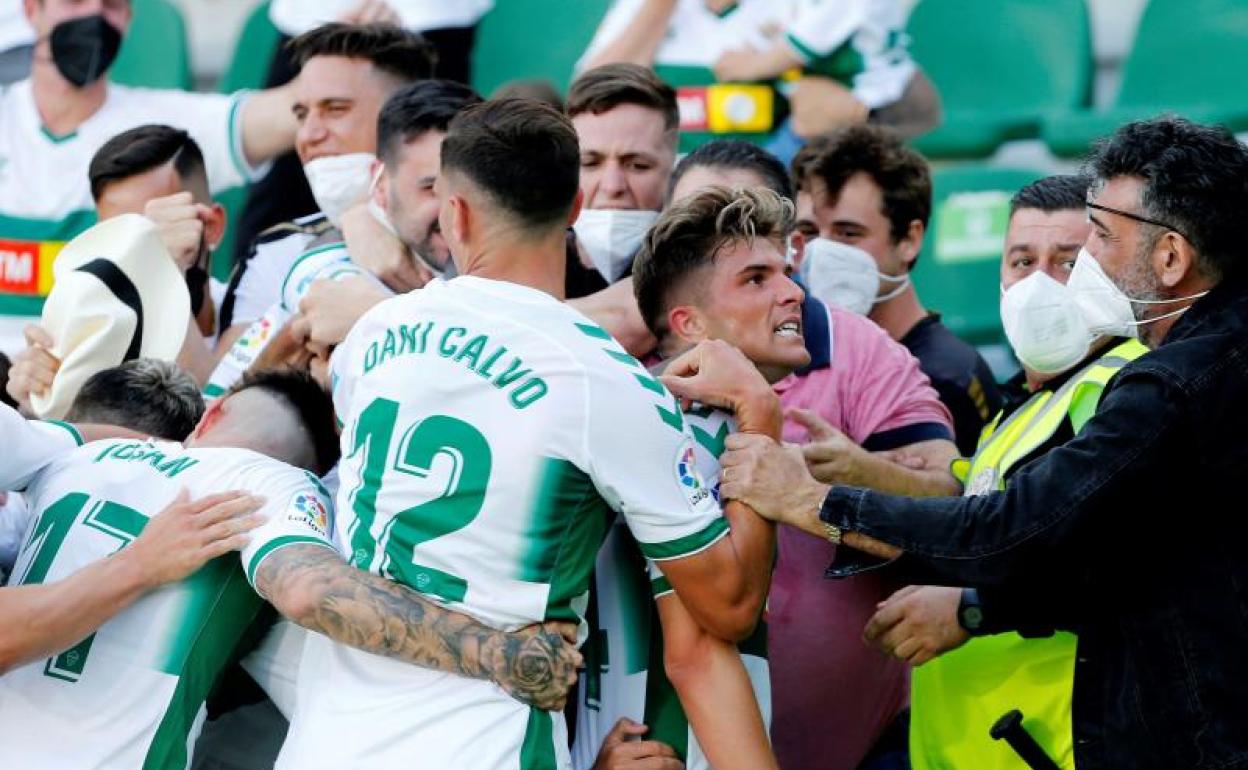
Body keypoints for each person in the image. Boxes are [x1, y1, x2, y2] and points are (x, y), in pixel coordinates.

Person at [694, 116, 1248, 770]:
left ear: (1172, 258)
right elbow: (1115, 563)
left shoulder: (1170, 390)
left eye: (1096, 238)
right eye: (1023, 260)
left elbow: (1013, 530)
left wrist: (814, 501)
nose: (1076, 270)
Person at [275, 98, 774, 769]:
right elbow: (732, 606)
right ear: (574, 209)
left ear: (455, 212)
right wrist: (761, 424)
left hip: (328, 741)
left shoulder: (370, 337)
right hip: (490, 742)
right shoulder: (608, 382)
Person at [0, 365, 579, 767]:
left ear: (211, 411)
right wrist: (503, 653)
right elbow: (308, 591)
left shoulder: (76, 455)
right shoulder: (270, 489)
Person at [636, 181, 957, 770]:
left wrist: (853, 476)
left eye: (786, 273)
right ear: (690, 323)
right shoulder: (658, 431)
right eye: (758, 279)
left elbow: (953, 505)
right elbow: (706, 644)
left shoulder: (859, 350)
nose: (792, 292)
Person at [862, 175, 1147, 770]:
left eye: (1067, 262)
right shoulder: (1020, 408)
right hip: (969, 745)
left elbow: (1116, 568)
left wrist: (972, 607)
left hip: (1061, 743)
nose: (1038, 281)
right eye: (1022, 260)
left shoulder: (1126, 388)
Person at [0, 0, 297, 305]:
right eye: (75, 2)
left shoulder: (163, 126)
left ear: (127, 21)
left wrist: (324, 19)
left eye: (111, 7)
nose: (94, 16)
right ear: (32, 10)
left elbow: (303, 110)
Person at [218, 22, 437, 353]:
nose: (309, 135)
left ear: (408, 120)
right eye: (302, 115)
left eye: (336, 109)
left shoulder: (464, 231)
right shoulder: (276, 251)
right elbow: (223, 394)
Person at [793, 125, 1002, 455]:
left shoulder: (946, 376)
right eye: (808, 232)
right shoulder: (795, 360)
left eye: (848, 233)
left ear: (909, 239)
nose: (822, 252)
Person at [6, 126, 231, 409]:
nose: (128, 254)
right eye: (115, 237)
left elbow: (208, 409)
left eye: (148, 232)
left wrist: (163, 271)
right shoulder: (93, 325)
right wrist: (34, 398)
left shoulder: (256, 312)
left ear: (211, 227)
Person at [580, 0, 939, 160]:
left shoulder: (790, 7)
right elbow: (592, 95)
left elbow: (830, 103)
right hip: (666, 186)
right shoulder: (647, 6)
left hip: (766, 189)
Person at [567, 63, 678, 286]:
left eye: (638, 165)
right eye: (590, 163)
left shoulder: (701, 273)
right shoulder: (520, 278)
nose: (612, 186)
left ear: (674, 170)